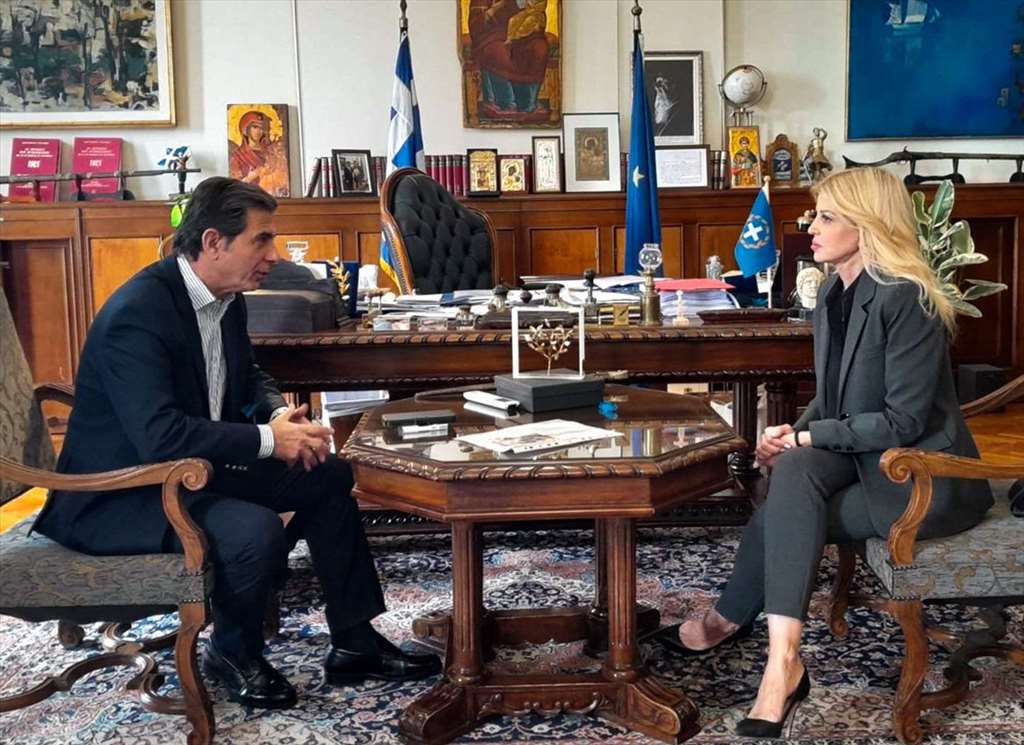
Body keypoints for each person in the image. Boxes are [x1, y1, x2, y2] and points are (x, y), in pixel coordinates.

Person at [32, 177, 440, 710]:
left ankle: (354, 641)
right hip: (121, 492)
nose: (273, 255)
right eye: (261, 240)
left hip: (192, 467)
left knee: (327, 473)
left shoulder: (226, 297)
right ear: (213, 242)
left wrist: (276, 413)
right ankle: (231, 652)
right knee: (252, 530)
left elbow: (246, 375)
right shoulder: (138, 313)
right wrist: (270, 440)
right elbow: (159, 436)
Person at [654, 166, 993, 738]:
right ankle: (782, 660)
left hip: (920, 477)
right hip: (865, 458)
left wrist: (807, 439)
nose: (811, 227)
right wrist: (793, 430)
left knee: (788, 508)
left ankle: (737, 626)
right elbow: (833, 397)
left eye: (827, 217)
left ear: (868, 225)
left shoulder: (908, 299)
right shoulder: (835, 291)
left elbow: (904, 422)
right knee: (795, 472)